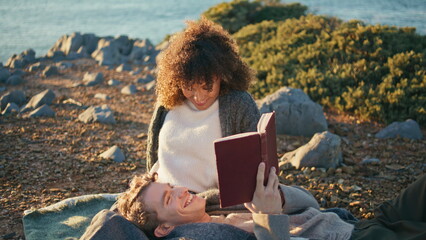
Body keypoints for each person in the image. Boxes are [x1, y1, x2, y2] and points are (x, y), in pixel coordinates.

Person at [117, 163, 426, 240]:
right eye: (170, 197)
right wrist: (268, 216)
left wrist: (276, 196)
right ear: (163, 229)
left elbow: (312, 204)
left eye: (173, 186)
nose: (183, 190)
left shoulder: (218, 204)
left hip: (361, 224)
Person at [146, 17, 260, 193]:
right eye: (189, 87)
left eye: (207, 86)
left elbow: (257, 161)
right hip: (164, 199)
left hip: (211, 202)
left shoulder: (239, 104)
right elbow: (154, 159)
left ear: (222, 76)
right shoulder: (166, 104)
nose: (198, 97)